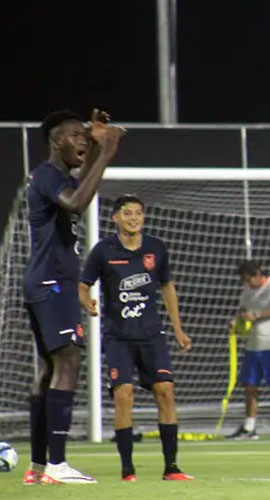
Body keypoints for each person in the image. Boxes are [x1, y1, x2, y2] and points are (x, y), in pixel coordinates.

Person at [23, 109, 125, 485]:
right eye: (74, 136)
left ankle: (37, 466)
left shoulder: (56, 175)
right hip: (53, 282)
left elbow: (81, 188)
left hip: (43, 281)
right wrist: (108, 154)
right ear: (55, 141)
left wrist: (99, 149)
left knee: (49, 370)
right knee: (68, 363)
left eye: (84, 136)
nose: (82, 140)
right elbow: (77, 202)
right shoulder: (50, 175)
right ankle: (57, 464)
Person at [78, 194, 193, 481]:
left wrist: (178, 328)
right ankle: (127, 470)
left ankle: (171, 467)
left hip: (152, 336)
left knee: (165, 391)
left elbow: (167, 287)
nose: (133, 218)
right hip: (119, 338)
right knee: (123, 396)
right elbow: (83, 284)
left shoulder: (156, 248)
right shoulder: (104, 250)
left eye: (138, 213)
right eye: (127, 213)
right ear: (115, 217)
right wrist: (86, 301)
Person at [226, 260, 270, 440]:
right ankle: (249, 427)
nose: (246, 284)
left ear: (257, 274)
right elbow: (242, 311)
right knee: (249, 386)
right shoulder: (247, 291)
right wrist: (236, 321)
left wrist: (257, 315)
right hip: (252, 345)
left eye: (248, 279)